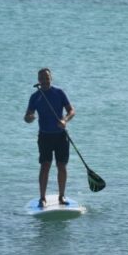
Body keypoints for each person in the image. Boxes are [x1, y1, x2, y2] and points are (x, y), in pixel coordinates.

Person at [24, 68, 75, 208]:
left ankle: (62, 196)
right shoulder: (35, 97)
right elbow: (27, 116)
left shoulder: (59, 93)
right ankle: (42, 198)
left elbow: (71, 111)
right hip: (45, 136)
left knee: (61, 166)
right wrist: (29, 118)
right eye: (42, 78)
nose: (45, 81)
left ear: (51, 79)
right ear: (38, 80)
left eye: (47, 78)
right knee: (45, 165)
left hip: (60, 136)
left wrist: (65, 120)